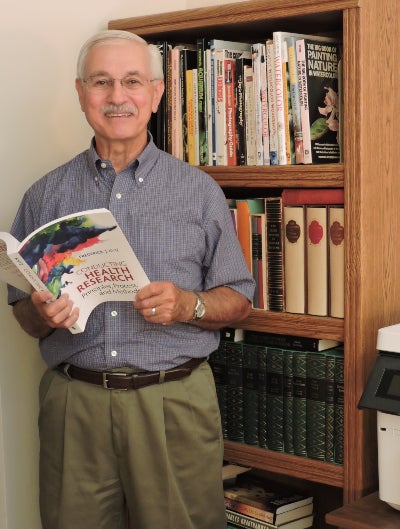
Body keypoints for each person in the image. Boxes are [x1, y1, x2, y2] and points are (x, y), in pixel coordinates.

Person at [8, 30, 255, 529]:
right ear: (81, 94)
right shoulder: (43, 196)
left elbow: (240, 301)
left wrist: (190, 305)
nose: (117, 97)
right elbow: (23, 313)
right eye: (102, 82)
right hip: (73, 406)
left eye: (132, 81)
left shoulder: (199, 192)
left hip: (173, 404)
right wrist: (41, 313)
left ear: (156, 93)